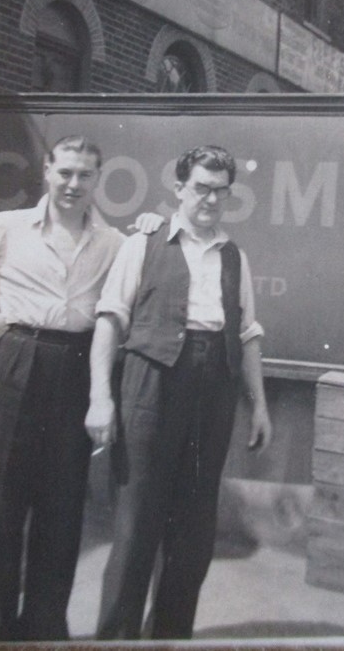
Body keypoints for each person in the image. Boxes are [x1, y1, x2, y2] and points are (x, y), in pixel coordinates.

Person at [86, 144, 272, 640]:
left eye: (220, 191)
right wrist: (100, 397)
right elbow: (110, 319)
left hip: (214, 391)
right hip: (150, 384)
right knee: (136, 523)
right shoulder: (142, 244)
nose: (210, 199)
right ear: (180, 189)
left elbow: (249, 332)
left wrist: (259, 405)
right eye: (201, 188)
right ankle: (116, 640)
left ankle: (169, 636)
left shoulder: (235, 256)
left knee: (192, 532)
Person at [0, 135, 125, 641]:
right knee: (1, 508)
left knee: (61, 513)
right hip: (17, 361)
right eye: (65, 173)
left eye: (85, 175)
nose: (74, 184)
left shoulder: (114, 243)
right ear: (48, 173)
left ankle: (42, 632)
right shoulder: (5, 229)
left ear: (97, 180)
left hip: (77, 369)